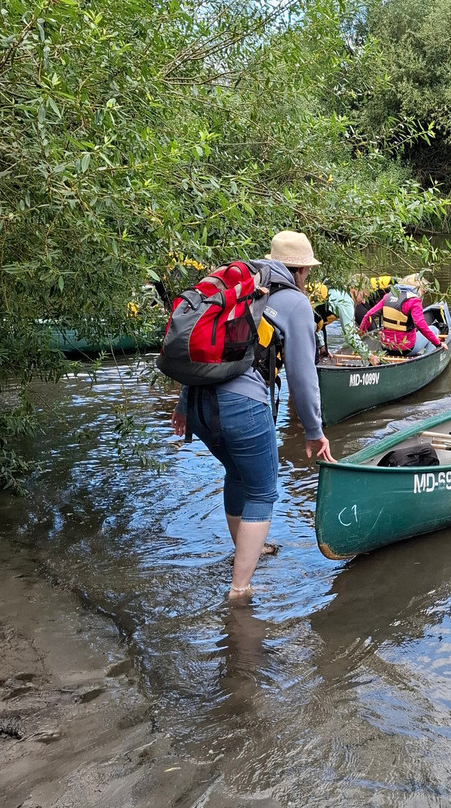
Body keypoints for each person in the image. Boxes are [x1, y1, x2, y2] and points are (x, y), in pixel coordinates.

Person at [170, 230, 335, 601]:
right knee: (262, 491)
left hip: (198, 402)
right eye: (307, 271)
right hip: (242, 405)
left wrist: (183, 405)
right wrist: (314, 429)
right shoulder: (295, 302)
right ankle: (240, 588)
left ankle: (247, 550)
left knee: (237, 472)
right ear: (301, 271)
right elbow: (303, 375)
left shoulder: (241, 287)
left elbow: (206, 350)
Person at [357, 275, 443, 356]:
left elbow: (368, 316)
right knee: (434, 329)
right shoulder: (414, 301)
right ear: (419, 289)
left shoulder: (387, 296)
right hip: (406, 349)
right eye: (423, 291)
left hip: (386, 347)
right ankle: (428, 359)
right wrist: (438, 343)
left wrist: (359, 336)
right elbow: (420, 324)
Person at [308, 280, 379, 365]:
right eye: (363, 296)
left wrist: (322, 346)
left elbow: (316, 317)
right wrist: (369, 356)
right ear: (354, 289)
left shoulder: (338, 290)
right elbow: (350, 336)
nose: (364, 301)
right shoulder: (346, 303)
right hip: (305, 331)